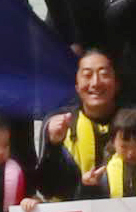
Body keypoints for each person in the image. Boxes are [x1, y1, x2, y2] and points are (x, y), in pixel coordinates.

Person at [36, 49, 128, 198]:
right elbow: (47, 189)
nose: (95, 82)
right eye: (87, 75)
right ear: (77, 87)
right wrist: (53, 144)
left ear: (116, 84)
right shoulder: (57, 122)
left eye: (104, 74)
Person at [89, 107, 136, 199]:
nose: (130, 153)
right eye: (124, 147)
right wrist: (90, 185)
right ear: (113, 143)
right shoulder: (103, 170)